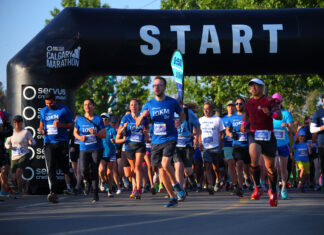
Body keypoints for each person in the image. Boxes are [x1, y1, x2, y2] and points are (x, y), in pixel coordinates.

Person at [136, 76, 186, 207]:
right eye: (154, 85)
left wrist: (180, 121)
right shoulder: (149, 104)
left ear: (164, 87)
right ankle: (172, 197)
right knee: (161, 171)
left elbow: (182, 114)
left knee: (165, 164)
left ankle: (177, 185)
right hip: (155, 140)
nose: (156, 87)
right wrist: (143, 115)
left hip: (170, 138)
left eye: (159, 85)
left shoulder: (172, 102)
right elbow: (137, 123)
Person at [240, 78, 282, 207]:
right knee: (253, 156)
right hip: (254, 134)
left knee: (270, 167)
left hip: (268, 136)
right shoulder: (249, 102)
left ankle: (273, 190)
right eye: (251, 86)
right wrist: (243, 124)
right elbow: (246, 114)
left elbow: (279, 115)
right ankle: (257, 187)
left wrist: (270, 113)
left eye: (255, 86)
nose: (253, 88)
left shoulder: (270, 100)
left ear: (262, 87)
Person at [39, 92, 74, 203]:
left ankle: (73, 184)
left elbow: (72, 124)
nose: (48, 105)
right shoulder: (43, 110)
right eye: (47, 103)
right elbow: (41, 124)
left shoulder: (64, 109)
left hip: (62, 142)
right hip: (48, 142)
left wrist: (61, 125)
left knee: (64, 167)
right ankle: (53, 193)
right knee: (50, 167)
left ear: (55, 100)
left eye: (50, 103)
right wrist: (42, 129)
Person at [74, 99, 106, 203]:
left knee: (94, 169)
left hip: (96, 148)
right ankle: (87, 182)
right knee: (83, 169)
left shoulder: (98, 119)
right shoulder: (79, 119)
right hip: (84, 148)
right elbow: (75, 132)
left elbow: (104, 135)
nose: (87, 106)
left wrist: (96, 133)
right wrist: (80, 137)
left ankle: (95, 194)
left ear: (93, 106)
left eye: (89, 105)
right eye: (85, 105)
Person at [116, 99, 149, 199]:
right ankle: (134, 187)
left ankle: (139, 188)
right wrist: (124, 127)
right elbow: (119, 133)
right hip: (129, 145)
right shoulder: (126, 117)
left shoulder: (143, 118)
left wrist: (145, 133)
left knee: (138, 166)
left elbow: (147, 136)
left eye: (135, 105)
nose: (133, 106)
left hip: (140, 145)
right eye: (131, 105)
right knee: (133, 169)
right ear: (129, 107)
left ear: (138, 106)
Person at [5, 115, 36, 197]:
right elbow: (6, 143)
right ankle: (24, 183)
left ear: (22, 122)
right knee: (14, 176)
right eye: (15, 122)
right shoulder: (12, 132)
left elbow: (34, 142)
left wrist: (30, 142)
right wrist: (9, 147)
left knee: (19, 173)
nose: (17, 123)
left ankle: (19, 192)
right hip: (14, 156)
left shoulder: (26, 132)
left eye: (18, 122)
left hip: (24, 154)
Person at [173, 103, 200, 197]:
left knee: (187, 170)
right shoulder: (171, 113)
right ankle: (180, 191)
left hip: (187, 144)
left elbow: (197, 125)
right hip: (175, 144)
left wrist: (196, 138)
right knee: (178, 166)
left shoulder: (189, 113)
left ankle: (192, 177)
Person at [226, 98, 251, 197]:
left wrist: (247, 131)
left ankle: (248, 177)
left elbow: (254, 128)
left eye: (240, 103)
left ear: (244, 104)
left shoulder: (248, 116)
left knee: (249, 166)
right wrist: (232, 135)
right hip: (237, 145)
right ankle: (240, 187)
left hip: (249, 144)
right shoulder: (232, 117)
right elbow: (227, 130)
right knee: (239, 165)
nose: (238, 105)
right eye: (236, 104)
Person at [199, 102, 225, 195]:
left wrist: (221, 143)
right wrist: (199, 142)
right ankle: (210, 185)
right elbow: (199, 132)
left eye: (208, 109)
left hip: (216, 146)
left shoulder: (217, 119)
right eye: (204, 109)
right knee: (207, 166)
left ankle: (218, 179)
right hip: (205, 147)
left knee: (216, 167)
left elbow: (222, 132)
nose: (206, 111)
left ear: (212, 110)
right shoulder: (200, 120)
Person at [272, 93, 294, 199]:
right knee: (275, 167)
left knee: (283, 168)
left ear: (281, 102)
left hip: (284, 144)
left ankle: (284, 188)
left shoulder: (286, 114)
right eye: (274, 101)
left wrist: (287, 126)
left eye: (278, 101)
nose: (276, 103)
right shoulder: (270, 114)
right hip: (272, 144)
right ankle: (275, 187)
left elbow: (292, 131)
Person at [99, 112, 119, 198]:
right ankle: (103, 180)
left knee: (110, 172)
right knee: (101, 169)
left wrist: (114, 141)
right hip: (101, 153)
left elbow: (116, 141)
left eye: (106, 119)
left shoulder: (112, 129)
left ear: (108, 120)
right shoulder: (98, 129)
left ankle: (110, 190)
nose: (104, 121)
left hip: (111, 153)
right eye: (102, 119)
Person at [223, 101, 241, 196]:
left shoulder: (238, 117)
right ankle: (233, 183)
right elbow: (222, 132)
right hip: (227, 144)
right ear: (226, 108)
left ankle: (241, 182)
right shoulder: (223, 119)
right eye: (229, 106)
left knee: (239, 164)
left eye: (232, 106)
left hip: (238, 143)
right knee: (230, 163)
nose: (231, 108)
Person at [310, 94, 324, 192]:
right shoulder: (318, 113)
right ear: (322, 101)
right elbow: (312, 129)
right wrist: (322, 128)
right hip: (322, 143)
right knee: (322, 165)